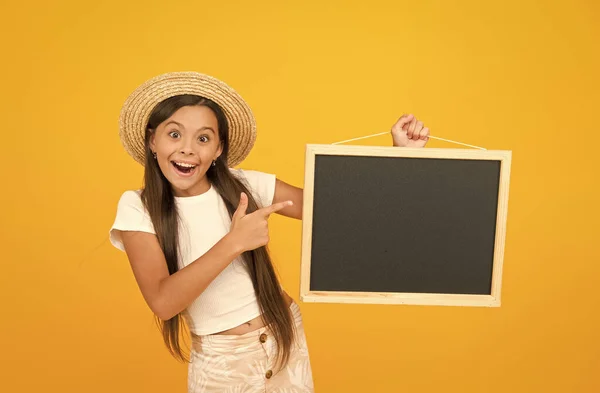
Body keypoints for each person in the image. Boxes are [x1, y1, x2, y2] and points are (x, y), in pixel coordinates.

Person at [109, 71, 430, 393]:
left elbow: (340, 213)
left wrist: (401, 155)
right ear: (152, 140)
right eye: (174, 134)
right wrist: (234, 242)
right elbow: (164, 303)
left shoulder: (246, 185)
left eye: (203, 138)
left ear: (219, 149)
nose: (188, 149)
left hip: (284, 335)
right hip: (223, 360)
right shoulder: (138, 207)